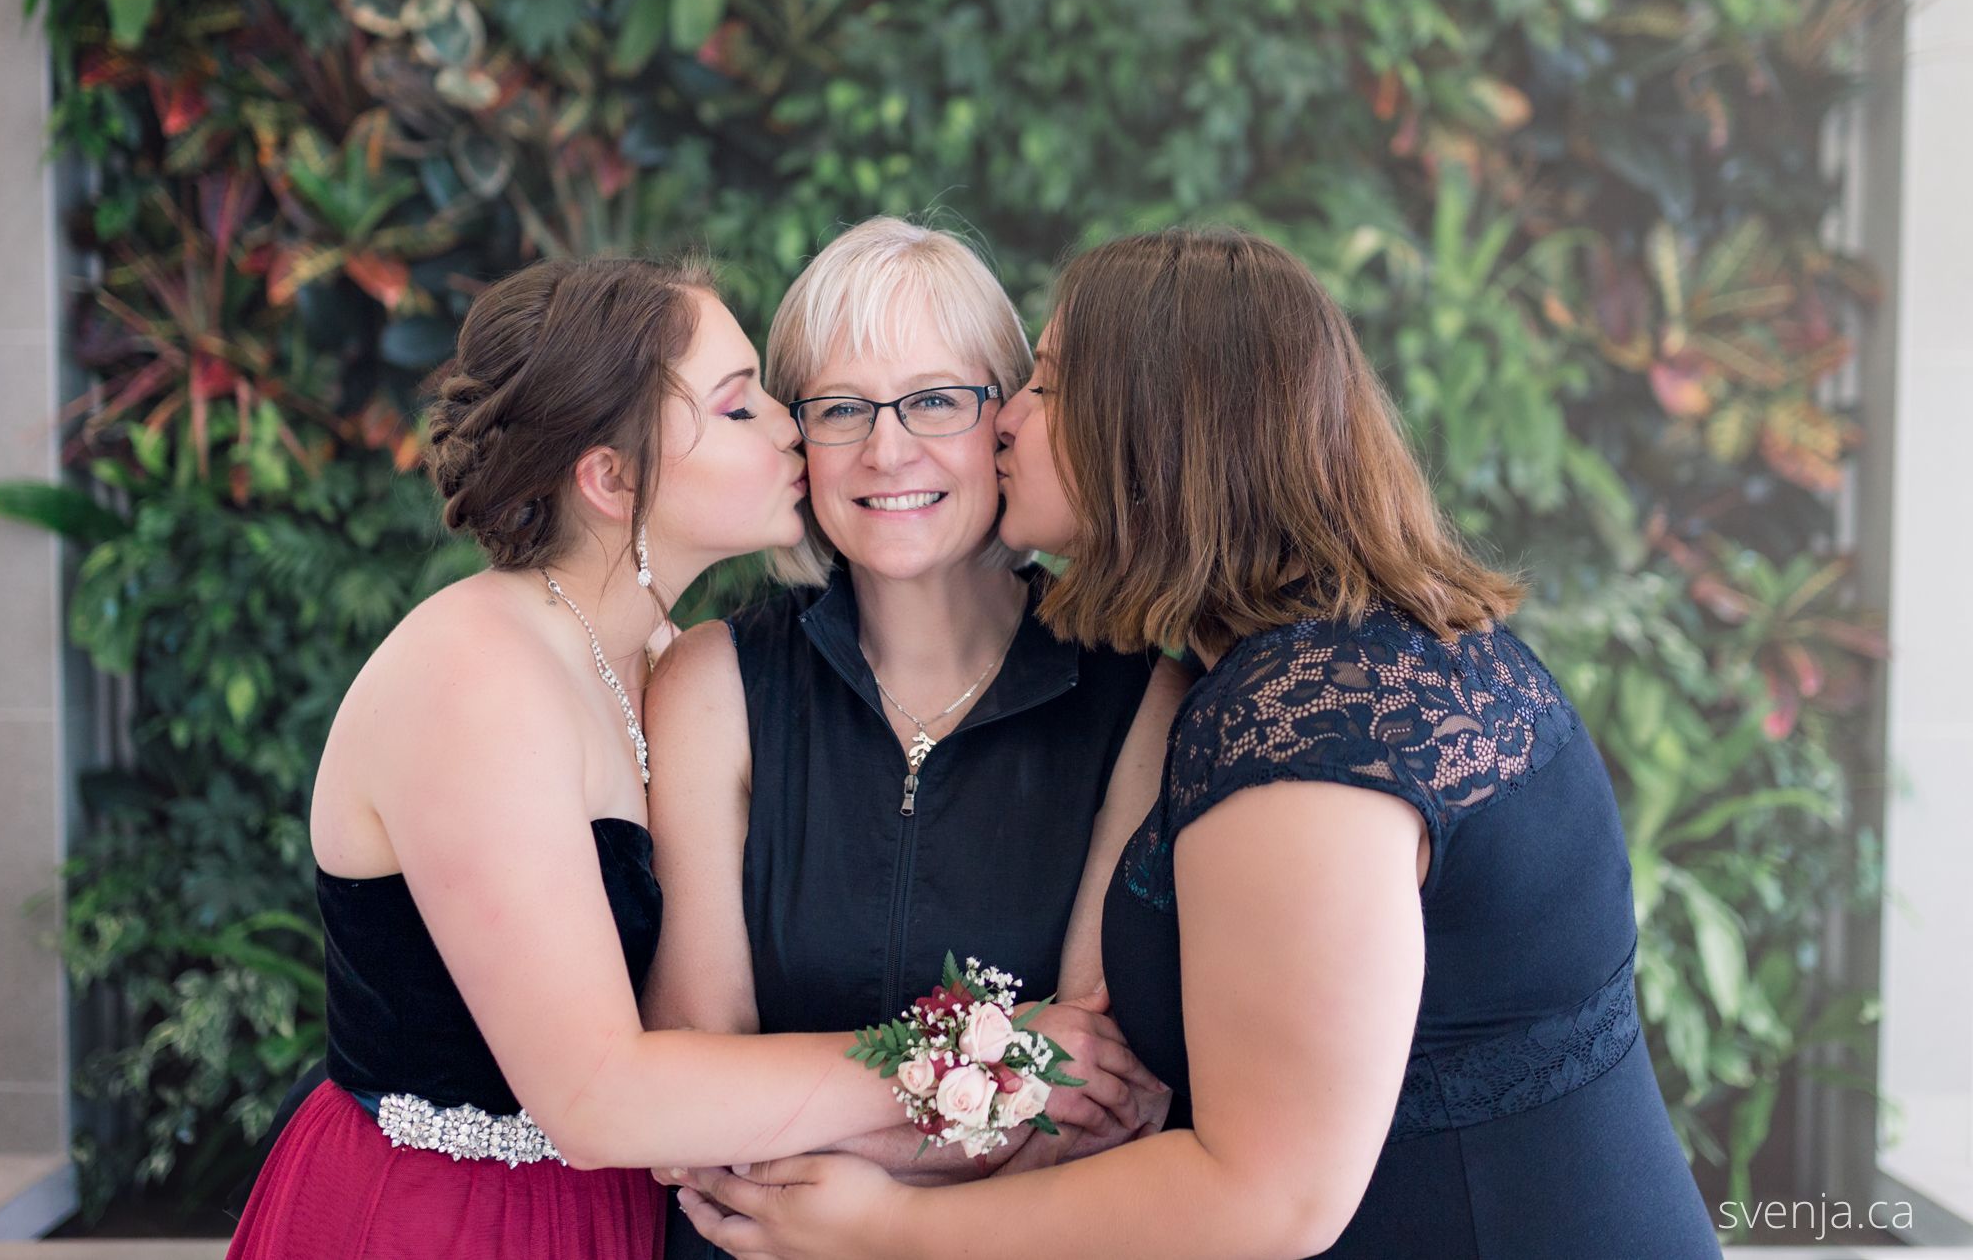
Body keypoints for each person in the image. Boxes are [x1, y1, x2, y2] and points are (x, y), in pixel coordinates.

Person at [668, 227, 1724, 1258]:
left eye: (1034, 386)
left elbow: (1258, 1190)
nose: (1005, 425)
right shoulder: (1315, 672)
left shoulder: (1306, 723)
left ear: (1153, 427)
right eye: (842, 406)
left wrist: (885, 1228)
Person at [227, 255, 1138, 1260]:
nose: (796, 429)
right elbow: (602, 1094)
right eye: (745, 407)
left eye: (929, 401)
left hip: (604, 1216)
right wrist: (991, 1057)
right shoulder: (477, 677)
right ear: (613, 479)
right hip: (444, 1223)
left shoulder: (638, 656)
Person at [645, 218, 1185, 1258]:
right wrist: (995, 1058)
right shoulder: (715, 679)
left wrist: (869, 1208)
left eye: (934, 399)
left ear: (1009, 418)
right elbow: (684, 1080)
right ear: (799, 437)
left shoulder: (1137, 693)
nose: (886, 449)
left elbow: (1090, 1095)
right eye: (841, 408)